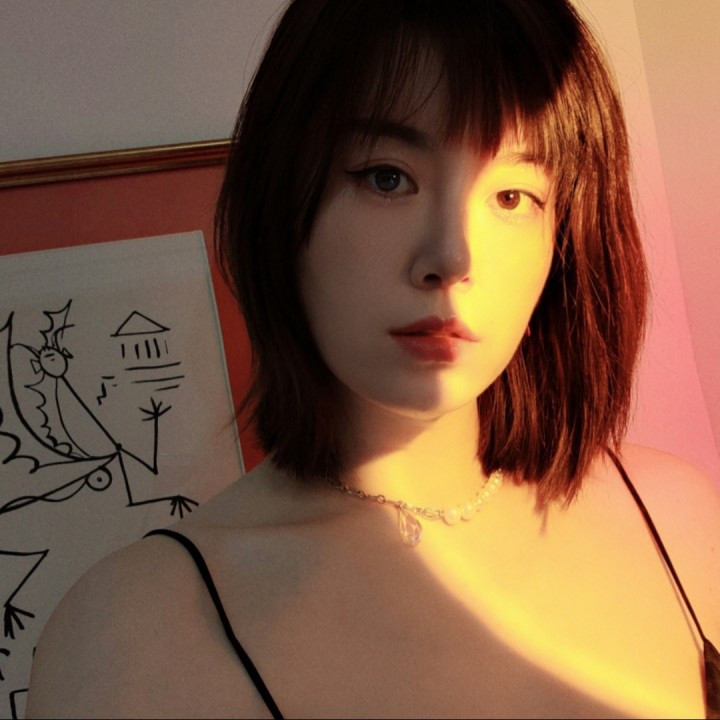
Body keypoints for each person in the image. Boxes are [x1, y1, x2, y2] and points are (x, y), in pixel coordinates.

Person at [26, 0, 720, 718]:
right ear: (280, 201)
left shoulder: (677, 522)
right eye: (387, 178)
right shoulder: (134, 634)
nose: (452, 258)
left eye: (513, 195)